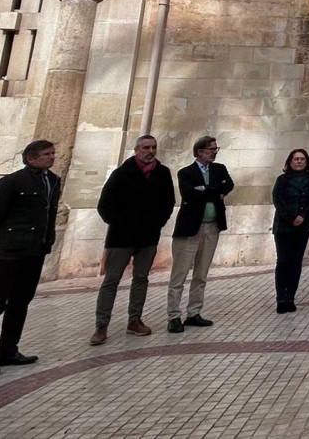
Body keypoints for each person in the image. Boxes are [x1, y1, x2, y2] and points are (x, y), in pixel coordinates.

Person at [90, 135, 175, 345]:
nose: (150, 151)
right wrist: (120, 224)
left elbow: (168, 202)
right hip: (121, 237)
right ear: (136, 149)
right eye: (146, 147)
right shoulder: (121, 173)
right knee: (111, 280)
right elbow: (105, 205)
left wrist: (158, 223)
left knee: (141, 278)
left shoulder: (162, 173)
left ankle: (134, 319)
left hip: (148, 235)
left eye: (154, 147)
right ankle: (101, 325)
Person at [0, 140, 60, 370]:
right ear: (31, 158)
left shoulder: (53, 180)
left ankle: (8, 350)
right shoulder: (13, 182)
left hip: (35, 251)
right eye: (46, 154)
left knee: (20, 301)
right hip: (10, 252)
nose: (51, 157)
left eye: (53, 153)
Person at [168, 136, 234, 334]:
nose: (214, 152)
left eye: (216, 149)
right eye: (211, 149)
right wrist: (214, 191)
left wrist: (205, 190)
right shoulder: (186, 172)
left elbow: (228, 186)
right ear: (200, 151)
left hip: (212, 226)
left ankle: (194, 311)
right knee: (179, 273)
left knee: (201, 273)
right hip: (190, 228)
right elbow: (189, 194)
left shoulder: (219, 169)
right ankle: (173, 315)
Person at [270, 149, 309, 313]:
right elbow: (278, 200)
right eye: (296, 159)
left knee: (296, 262)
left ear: (307, 162)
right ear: (290, 162)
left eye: (302, 159)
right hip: (284, 226)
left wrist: (302, 216)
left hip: (302, 226)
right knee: (283, 262)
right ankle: (281, 298)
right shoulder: (282, 179)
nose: (299, 161)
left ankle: (290, 297)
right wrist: (292, 217)